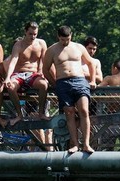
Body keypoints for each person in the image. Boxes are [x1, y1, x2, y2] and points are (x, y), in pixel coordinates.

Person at [43, 25, 96, 153]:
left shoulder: (79, 47)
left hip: (79, 80)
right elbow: (45, 69)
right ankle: (75, 144)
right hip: (62, 81)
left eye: (67, 39)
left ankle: (86, 144)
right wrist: (54, 83)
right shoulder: (52, 50)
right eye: (62, 40)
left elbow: (90, 63)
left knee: (84, 110)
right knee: (69, 112)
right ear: (58, 37)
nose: (65, 42)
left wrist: (93, 80)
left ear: (71, 36)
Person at [2, 22, 49, 126]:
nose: (33, 36)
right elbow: (13, 61)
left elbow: (44, 60)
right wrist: (7, 78)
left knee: (44, 85)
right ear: (25, 32)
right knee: (10, 87)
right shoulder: (18, 45)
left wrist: (42, 72)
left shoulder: (41, 43)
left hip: (33, 74)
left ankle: (41, 113)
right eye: (30, 34)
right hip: (19, 73)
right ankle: (19, 115)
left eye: (35, 34)